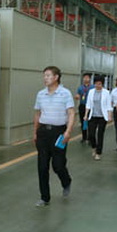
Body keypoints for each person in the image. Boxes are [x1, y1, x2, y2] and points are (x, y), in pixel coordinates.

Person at [33, 66, 74, 207]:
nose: (45, 78)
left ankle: (66, 181)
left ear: (56, 77)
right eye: (44, 76)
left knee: (58, 165)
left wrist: (68, 131)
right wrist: (35, 132)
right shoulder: (40, 94)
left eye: (48, 75)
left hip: (59, 133)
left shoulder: (65, 93)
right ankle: (45, 197)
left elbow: (71, 113)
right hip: (43, 132)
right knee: (42, 166)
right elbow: (37, 114)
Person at [84, 76, 113, 161]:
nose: (98, 85)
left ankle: (98, 153)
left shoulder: (106, 92)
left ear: (102, 84)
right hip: (92, 116)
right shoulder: (91, 92)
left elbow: (109, 105)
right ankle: (94, 147)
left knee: (100, 134)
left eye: (99, 84)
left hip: (102, 117)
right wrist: (86, 115)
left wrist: (109, 116)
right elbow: (88, 104)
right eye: (96, 84)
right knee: (91, 134)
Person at [76, 73, 92, 144]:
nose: (85, 79)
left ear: (90, 79)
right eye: (84, 77)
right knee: (83, 122)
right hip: (82, 106)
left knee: (90, 123)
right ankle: (84, 137)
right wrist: (77, 96)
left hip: (90, 106)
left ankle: (90, 137)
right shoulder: (80, 87)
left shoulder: (92, 87)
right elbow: (78, 94)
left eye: (87, 77)